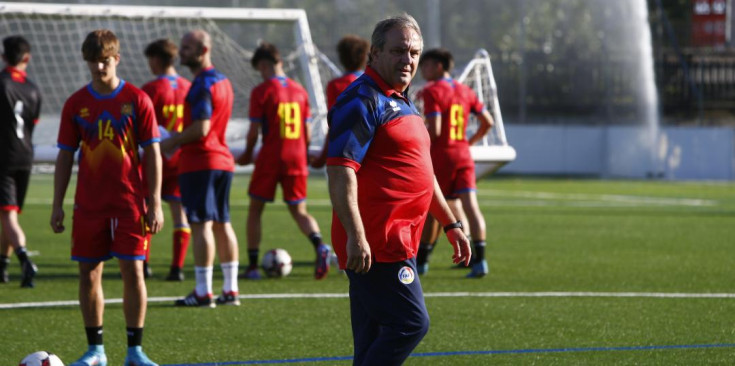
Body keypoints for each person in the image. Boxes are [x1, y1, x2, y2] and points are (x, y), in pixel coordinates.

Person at [326, 14, 472, 365]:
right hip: (376, 243)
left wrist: (451, 225)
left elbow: (424, 173)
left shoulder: (402, 101)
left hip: (400, 239)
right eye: (399, 51)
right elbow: (340, 170)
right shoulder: (362, 99)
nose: (408, 60)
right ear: (374, 54)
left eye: (414, 53)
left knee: (372, 339)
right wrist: (356, 235)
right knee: (410, 323)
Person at [50, 29, 163, 366]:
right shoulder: (75, 104)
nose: (99, 67)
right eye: (93, 61)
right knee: (90, 274)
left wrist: (155, 202)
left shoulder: (137, 99)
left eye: (105, 60)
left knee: (134, 273)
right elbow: (65, 156)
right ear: (86, 61)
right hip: (89, 206)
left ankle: (135, 351)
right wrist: (57, 203)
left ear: (117, 58)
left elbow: (153, 153)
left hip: (130, 205)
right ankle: (95, 350)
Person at [237, 42, 330, 280]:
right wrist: (304, 151)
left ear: (265, 64)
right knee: (300, 210)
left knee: (255, 210)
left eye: (260, 69)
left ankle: (253, 266)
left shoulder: (262, 91)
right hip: (297, 157)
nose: (261, 74)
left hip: (270, 157)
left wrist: (247, 154)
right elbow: (308, 132)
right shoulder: (300, 90)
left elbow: (253, 131)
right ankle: (320, 245)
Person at [162, 29, 241, 307]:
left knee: (201, 225)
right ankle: (230, 290)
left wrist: (170, 141)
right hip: (221, 160)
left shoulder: (201, 85)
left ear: (203, 50)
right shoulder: (224, 81)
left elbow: (201, 127)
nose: (181, 52)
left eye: (187, 47)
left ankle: (203, 291)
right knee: (222, 224)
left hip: (200, 161)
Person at [416, 48, 494, 278]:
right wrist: (469, 142)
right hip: (463, 154)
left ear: (439, 66)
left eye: (426, 65)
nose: (422, 70)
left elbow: (436, 129)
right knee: (471, 207)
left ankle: (422, 262)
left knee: (434, 209)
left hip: (442, 156)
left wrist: (416, 132)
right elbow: (487, 122)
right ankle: (480, 262)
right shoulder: (465, 90)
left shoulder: (431, 91)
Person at [141, 38, 192, 282]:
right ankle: (177, 268)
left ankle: (144, 264)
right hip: (182, 158)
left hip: (156, 159)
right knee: (179, 213)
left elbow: (141, 125)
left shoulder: (151, 89)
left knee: (146, 209)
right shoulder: (189, 86)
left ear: (156, 60)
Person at [0, 35, 41, 288]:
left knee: (8, 216)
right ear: (27, 58)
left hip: (3, 156)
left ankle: (25, 260)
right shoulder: (33, 88)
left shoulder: (0, 83)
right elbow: (32, 125)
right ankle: (2, 267)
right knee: (9, 213)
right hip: (25, 156)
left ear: (4, 57)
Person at [311, 34, 369, 168]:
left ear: (341, 57)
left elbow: (335, 124)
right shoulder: (373, 82)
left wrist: (323, 156)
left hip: (345, 153)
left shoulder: (336, 85)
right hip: (371, 150)